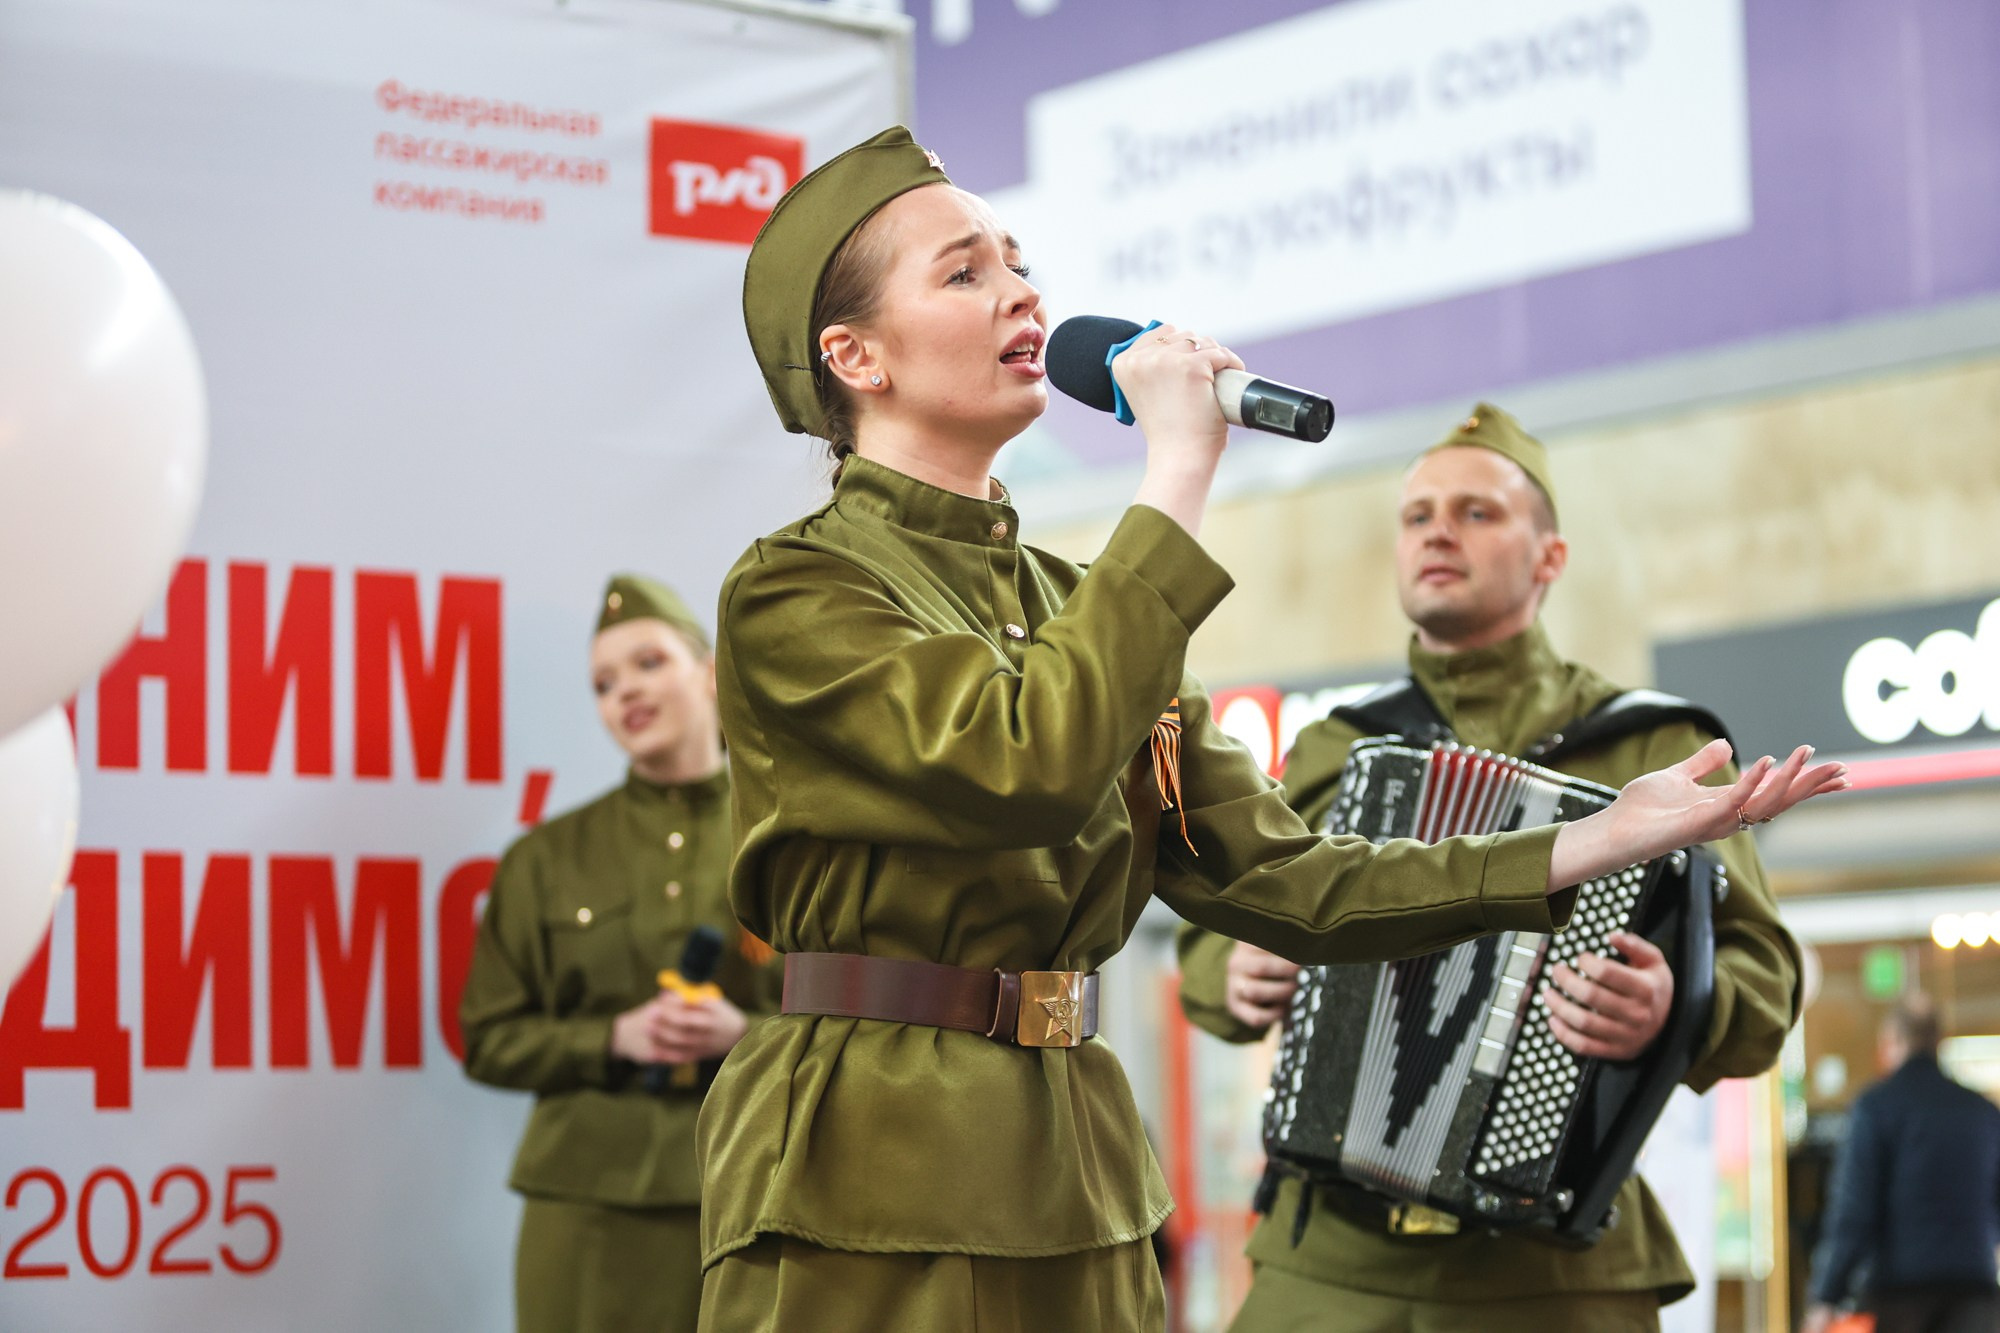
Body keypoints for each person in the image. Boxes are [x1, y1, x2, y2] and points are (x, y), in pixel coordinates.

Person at [695, 126, 1845, 1332]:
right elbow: (1018, 761)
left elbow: (1296, 879)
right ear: (854, 355)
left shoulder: (1081, 603)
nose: (1023, 291)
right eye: (964, 271)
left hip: (1074, 1157)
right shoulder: (796, 590)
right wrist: (1177, 470)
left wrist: (1591, 842)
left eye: (1019, 261)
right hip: (865, 1155)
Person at [1175, 405, 1803, 1332]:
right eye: (1417, 513)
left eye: (1477, 512)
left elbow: (1766, 980)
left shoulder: (1661, 741)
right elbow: (1209, 932)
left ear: (1550, 557)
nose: (1438, 530)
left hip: (1556, 1275)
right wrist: (1231, 969)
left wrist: (1676, 1005)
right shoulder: (1338, 745)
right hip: (1326, 1265)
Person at [459, 575, 780, 1333]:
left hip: (748, 1195)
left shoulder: (785, 841)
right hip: (584, 1207)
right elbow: (488, 1037)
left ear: (709, 672)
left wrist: (746, 1034)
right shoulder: (545, 857)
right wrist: (614, 1036)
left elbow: (848, 1019)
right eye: (604, 683)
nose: (624, 692)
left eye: (648, 663)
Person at [1804, 995, 2000, 1333]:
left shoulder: (1876, 1108)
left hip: (1899, 1294)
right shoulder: (1982, 1112)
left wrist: (1826, 1297)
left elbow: (1854, 1210)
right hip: (1974, 1288)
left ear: (1892, 1042)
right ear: (1938, 1042)